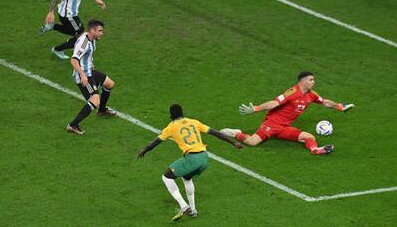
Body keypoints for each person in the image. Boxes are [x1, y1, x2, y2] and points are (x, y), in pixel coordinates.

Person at [137, 104, 243, 221]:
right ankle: (193, 210)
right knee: (187, 178)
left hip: (192, 158)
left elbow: (156, 142)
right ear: (182, 113)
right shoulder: (194, 122)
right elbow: (216, 133)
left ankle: (183, 206)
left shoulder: (171, 127)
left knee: (166, 177)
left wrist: (144, 151)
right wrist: (234, 143)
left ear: (171, 115)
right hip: (204, 158)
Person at [221, 71, 355, 155]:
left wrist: (339, 107)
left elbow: (325, 102)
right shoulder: (292, 92)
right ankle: (236, 133)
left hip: (284, 127)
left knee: (309, 137)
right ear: (302, 81)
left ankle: (315, 150)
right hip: (273, 123)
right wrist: (255, 108)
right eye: (311, 80)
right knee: (252, 142)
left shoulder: (312, 95)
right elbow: (274, 103)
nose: (313, 82)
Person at [66, 19, 115, 135]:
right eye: (100, 31)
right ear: (92, 30)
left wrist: (90, 61)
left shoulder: (91, 38)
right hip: (83, 75)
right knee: (95, 100)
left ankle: (102, 111)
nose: (102, 33)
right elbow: (73, 60)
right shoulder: (84, 43)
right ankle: (72, 125)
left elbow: (86, 54)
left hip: (89, 70)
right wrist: (83, 75)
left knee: (109, 84)